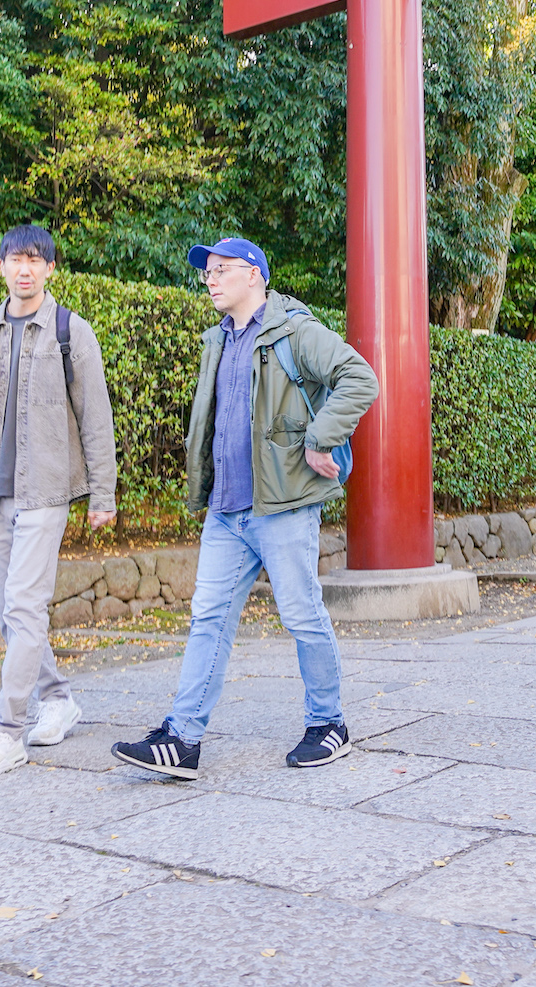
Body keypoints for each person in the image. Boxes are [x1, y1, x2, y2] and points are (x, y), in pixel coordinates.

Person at [112, 236, 377, 780]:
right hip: (227, 511)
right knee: (208, 619)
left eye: (221, 270)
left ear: (253, 274)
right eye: (206, 272)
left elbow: (360, 378)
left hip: (282, 506)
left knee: (302, 615)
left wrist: (321, 439)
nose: (210, 279)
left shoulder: (295, 331)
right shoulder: (219, 339)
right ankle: (183, 738)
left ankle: (329, 724)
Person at [0, 224, 117, 779]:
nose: (25, 269)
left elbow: (96, 415)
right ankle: (58, 698)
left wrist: (102, 493)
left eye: (35, 260)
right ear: (1, 268)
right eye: (16, 259)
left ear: (49, 270)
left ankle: (5, 730)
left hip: (44, 491)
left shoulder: (70, 331)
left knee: (23, 606)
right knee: (11, 614)